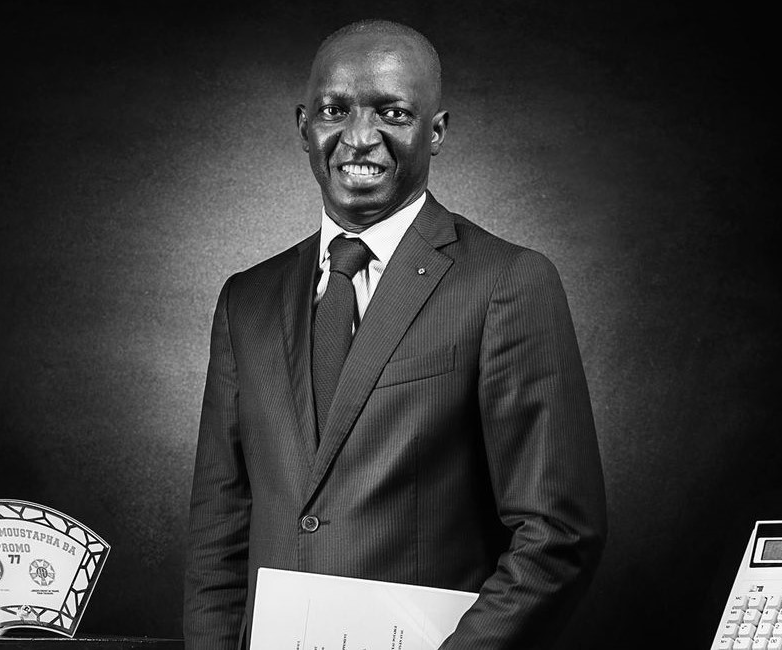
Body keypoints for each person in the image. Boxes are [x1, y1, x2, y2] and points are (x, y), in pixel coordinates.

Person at [184, 18, 606, 650]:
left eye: (393, 113)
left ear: (435, 131)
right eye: (335, 110)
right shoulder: (246, 300)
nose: (359, 137)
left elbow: (558, 534)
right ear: (304, 125)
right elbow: (218, 535)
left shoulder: (507, 283)